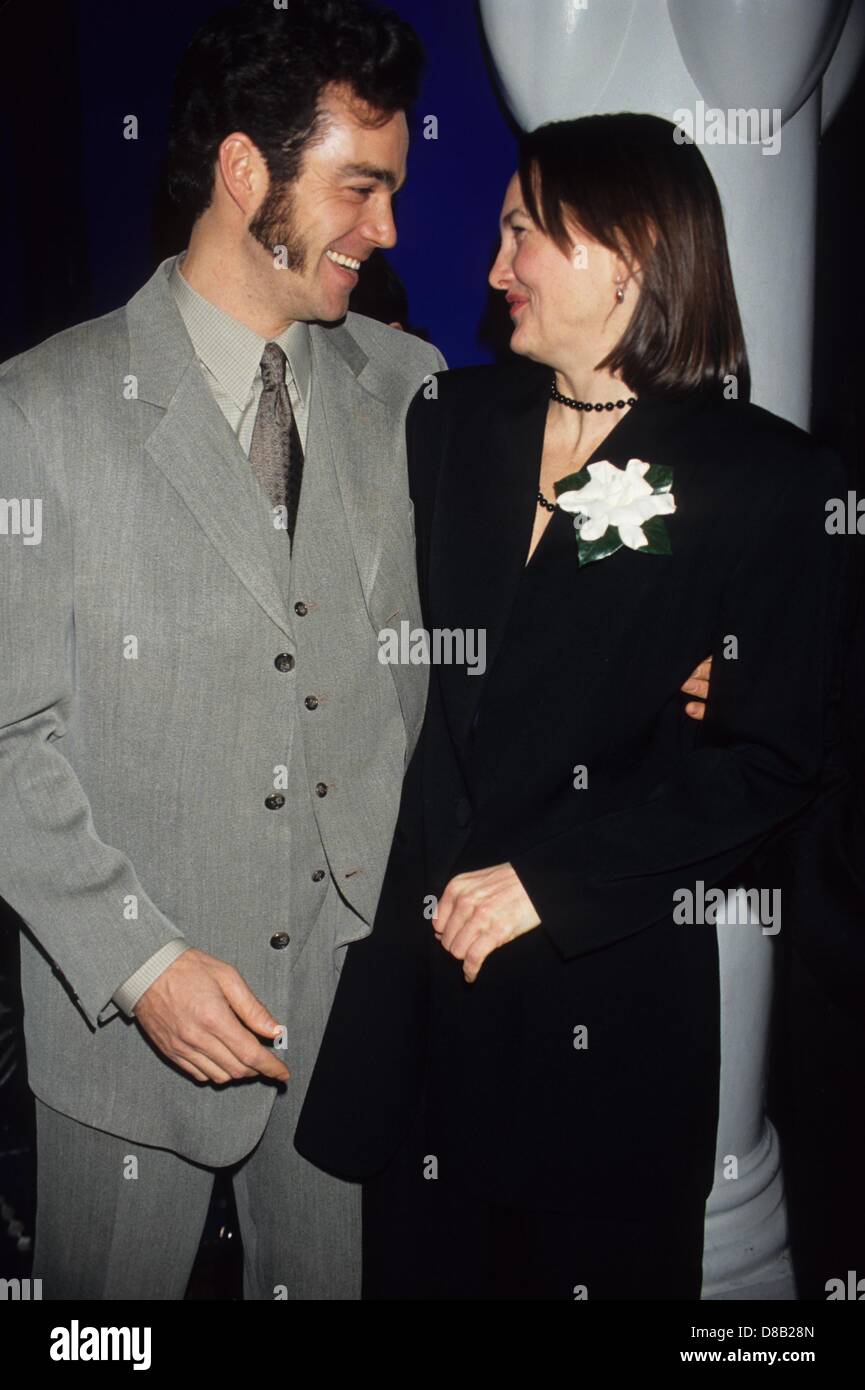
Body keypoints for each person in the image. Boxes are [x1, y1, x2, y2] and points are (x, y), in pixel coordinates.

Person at [295, 113, 845, 1299]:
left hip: (606, 1004)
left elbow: (776, 759)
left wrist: (556, 880)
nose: (495, 269)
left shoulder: (766, 479)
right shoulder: (452, 424)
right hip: (426, 1002)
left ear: (631, 250)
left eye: (523, 233)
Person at [0, 0, 443, 1300]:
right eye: (360, 187)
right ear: (246, 170)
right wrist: (139, 962)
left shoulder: (410, 384)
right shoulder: (41, 413)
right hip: (127, 1041)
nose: (390, 230)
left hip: (349, 1006)